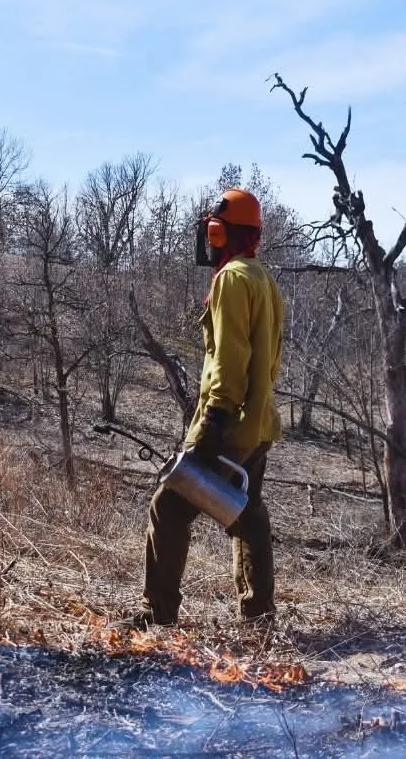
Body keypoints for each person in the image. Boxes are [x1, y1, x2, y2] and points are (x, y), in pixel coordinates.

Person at [117, 187, 284, 629]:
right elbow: (269, 358)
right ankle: (259, 620)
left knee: (168, 507)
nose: (209, 242)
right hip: (260, 422)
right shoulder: (264, 278)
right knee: (247, 513)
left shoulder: (232, 279)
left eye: (214, 233)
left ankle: (157, 617)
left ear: (221, 234)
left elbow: (231, 360)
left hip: (229, 424)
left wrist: (213, 422)